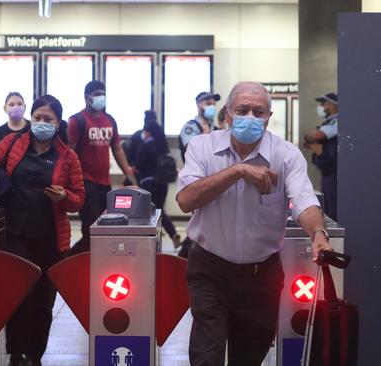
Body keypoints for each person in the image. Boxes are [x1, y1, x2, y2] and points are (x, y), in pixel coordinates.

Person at [176, 81, 332, 365]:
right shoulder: (202, 147)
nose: (250, 116)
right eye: (243, 109)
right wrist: (237, 171)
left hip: (262, 277)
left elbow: (304, 200)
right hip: (210, 271)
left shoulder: (285, 155)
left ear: (268, 117)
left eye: (258, 112)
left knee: (249, 357)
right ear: (228, 113)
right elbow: (186, 200)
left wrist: (318, 232)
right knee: (206, 355)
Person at [0, 95, 85, 366]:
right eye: (37, 117)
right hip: (16, 231)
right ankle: (16, 353)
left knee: (43, 300)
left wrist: (64, 197)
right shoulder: (13, 143)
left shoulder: (68, 156)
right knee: (18, 293)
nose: (41, 123)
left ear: (58, 123)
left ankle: (35, 354)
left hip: (50, 235)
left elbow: (79, 198)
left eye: (47, 119)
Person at [66, 80, 137, 256]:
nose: (101, 97)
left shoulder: (109, 120)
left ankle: (82, 258)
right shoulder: (77, 121)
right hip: (85, 182)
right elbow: (68, 151)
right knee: (90, 229)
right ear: (87, 97)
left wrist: (128, 174)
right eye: (97, 93)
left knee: (104, 228)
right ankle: (71, 260)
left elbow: (118, 149)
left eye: (103, 93)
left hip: (104, 184)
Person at [134, 116, 182, 248]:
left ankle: (148, 241)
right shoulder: (163, 147)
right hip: (162, 184)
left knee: (146, 212)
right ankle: (172, 234)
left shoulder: (146, 146)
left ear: (148, 132)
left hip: (148, 184)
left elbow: (138, 165)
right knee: (158, 211)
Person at [303, 92, 338, 220]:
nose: (321, 106)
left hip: (334, 174)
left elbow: (317, 136)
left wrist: (309, 138)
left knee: (332, 211)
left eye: (324, 103)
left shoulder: (337, 121)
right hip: (327, 172)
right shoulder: (328, 122)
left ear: (333, 105)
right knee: (327, 207)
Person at [179, 91, 221, 163]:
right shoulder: (190, 127)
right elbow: (192, 151)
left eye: (214, 104)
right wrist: (205, 137)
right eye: (208, 104)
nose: (212, 107)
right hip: (196, 171)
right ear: (198, 104)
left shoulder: (214, 128)